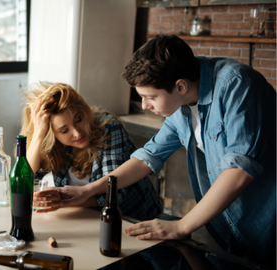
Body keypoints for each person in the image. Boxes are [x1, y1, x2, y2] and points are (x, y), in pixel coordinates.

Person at [54, 35, 276, 267]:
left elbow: (240, 168)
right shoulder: (181, 103)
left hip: (268, 219)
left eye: (150, 97)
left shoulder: (237, 84)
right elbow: (147, 158)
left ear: (180, 86)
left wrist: (182, 225)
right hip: (232, 225)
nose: (144, 106)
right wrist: (88, 190)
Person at [20, 81, 161, 221]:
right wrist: (39, 134)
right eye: (64, 130)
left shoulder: (109, 128)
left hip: (134, 218)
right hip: (89, 218)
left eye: (79, 119)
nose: (77, 133)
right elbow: (24, 179)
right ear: (51, 135)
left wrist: (63, 201)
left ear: (84, 111)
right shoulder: (53, 144)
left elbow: (115, 194)